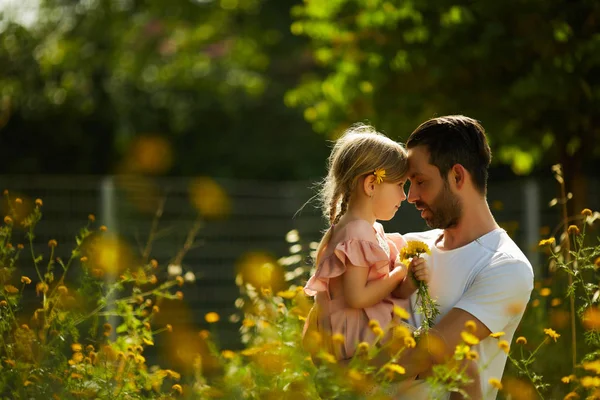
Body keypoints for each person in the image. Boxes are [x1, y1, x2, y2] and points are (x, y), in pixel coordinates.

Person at [395, 115, 534, 399]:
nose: (411, 196)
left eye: (420, 181)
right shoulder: (408, 246)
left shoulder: (505, 266)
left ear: (457, 176)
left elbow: (429, 352)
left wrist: (345, 366)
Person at [302, 124, 429, 362]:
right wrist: (399, 271)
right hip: (357, 341)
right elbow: (358, 297)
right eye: (400, 185)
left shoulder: (359, 230)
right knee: (444, 354)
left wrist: (408, 282)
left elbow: (379, 291)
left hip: (350, 335)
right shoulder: (357, 233)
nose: (404, 196)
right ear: (371, 184)